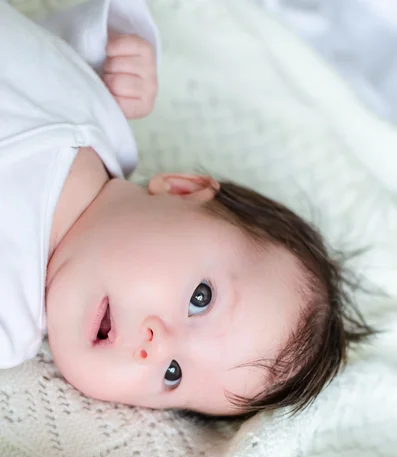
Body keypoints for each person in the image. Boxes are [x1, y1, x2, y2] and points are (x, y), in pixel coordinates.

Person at [0, 0, 373, 417]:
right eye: (201, 298)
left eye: (173, 374)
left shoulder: (10, 318)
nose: (155, 347)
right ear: (181, 189)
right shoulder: (105, 112)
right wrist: (119, 56)